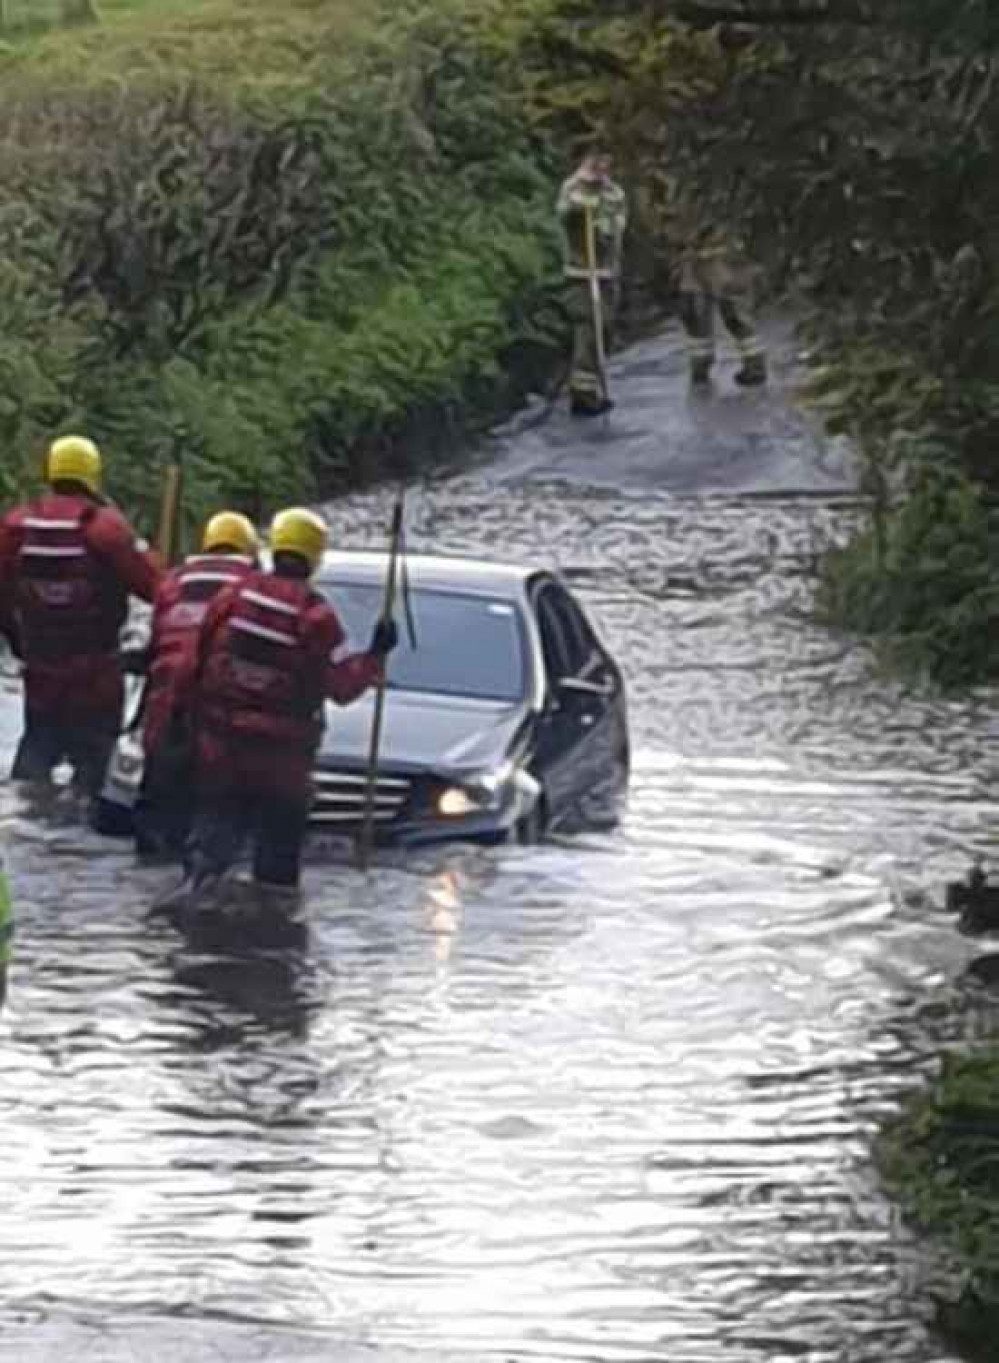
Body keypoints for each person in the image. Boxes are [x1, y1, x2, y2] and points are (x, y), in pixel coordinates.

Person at [159, 507, 397, 910]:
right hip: (281, 765)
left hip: (221, 751)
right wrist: (376, 653)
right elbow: (341, 686)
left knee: (208, 855)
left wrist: (174, 724)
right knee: (276, 877)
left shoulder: (233, 596)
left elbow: (191, 665)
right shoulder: (316, 616)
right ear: (315, 556)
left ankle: (189, 923)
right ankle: (270, 946)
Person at [0, 435, 160, 799]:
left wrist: (18, 643)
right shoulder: (106, 527)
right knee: (96, 780)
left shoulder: (17, 524)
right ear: (93, 475)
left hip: (40, 675)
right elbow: (156, 588)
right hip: (97, 677)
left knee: (33, 769)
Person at [131, 511, 261, 859]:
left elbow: (156, 645)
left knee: (156, 822)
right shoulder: (254, 585)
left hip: (164, 714)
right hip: (220, 721)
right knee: (213, 828)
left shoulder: (172, 582)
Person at [557, 149, 628, 417]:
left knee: (605, 328)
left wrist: (600, 217)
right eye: (596, 162)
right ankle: (582, 396)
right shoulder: (572, 186)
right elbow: (565, 211)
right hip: (581, 275)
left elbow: (616, 224)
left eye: (605, 163)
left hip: (607, 273)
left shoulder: (614, 192)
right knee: (588, 329)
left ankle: (593, 384)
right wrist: (583, 199)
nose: (601, 167)